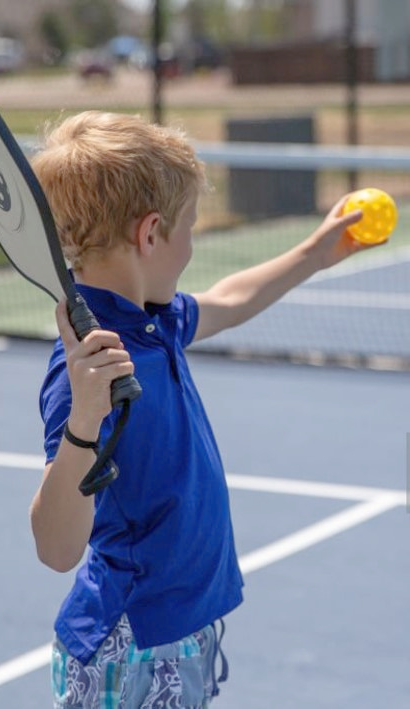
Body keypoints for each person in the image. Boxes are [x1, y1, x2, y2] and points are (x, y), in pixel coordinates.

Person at [28, 111, 373, 709]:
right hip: (130, 646)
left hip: (179, 631)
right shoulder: (87, 369)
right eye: (190, 227)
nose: (192, 244)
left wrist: (315, 254)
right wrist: (84, 420)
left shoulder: (153, 319)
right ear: (152, 232)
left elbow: (227, 301)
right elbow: (57, 549)